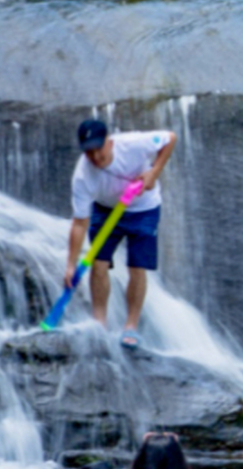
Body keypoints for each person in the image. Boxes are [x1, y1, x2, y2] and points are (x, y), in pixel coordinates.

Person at [66, 118, 176, 347]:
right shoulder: (82, 176)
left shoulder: (134, 144)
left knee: (136, 267)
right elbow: (79, 223)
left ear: (109, 142)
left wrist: (154, 172)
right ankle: (99, 323)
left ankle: (131, 327)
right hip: (105, 210)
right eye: (89, 152)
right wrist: (70, 264)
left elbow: (170, 138)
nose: (95, 157)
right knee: (98, 264)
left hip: (144, 208)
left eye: (98, 149)